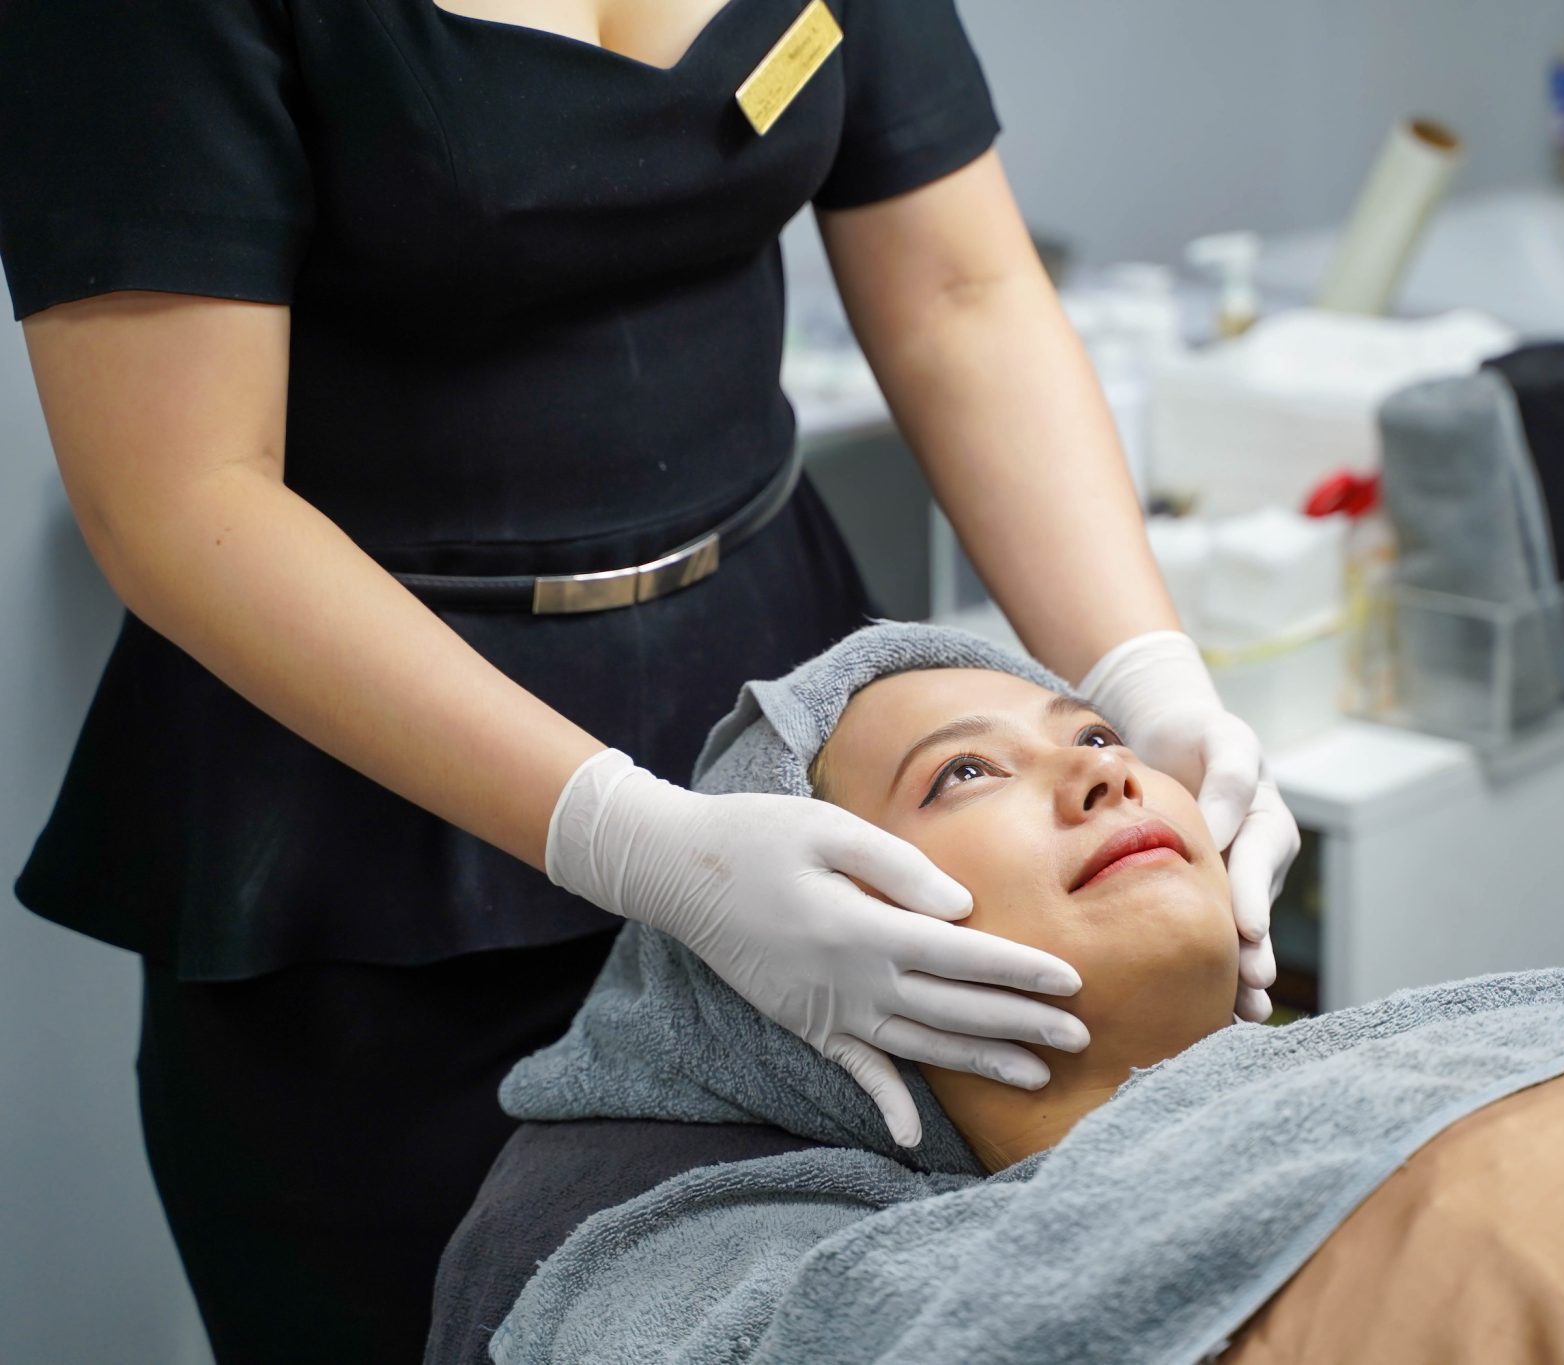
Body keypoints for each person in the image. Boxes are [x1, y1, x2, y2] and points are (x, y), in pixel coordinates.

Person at [0, 3, 1297, 1359]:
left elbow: (964, 296)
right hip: (372, 836)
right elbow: (178, 495)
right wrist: (635, 839)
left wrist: (1149, 682)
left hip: (784, 712)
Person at [445, 623, 1564, 1365]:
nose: (1097, 770)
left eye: (1094, 732)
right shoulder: (907, 1286)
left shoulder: (1460, 1050)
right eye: (965, 775)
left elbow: (965, 285)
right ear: (807, 992)